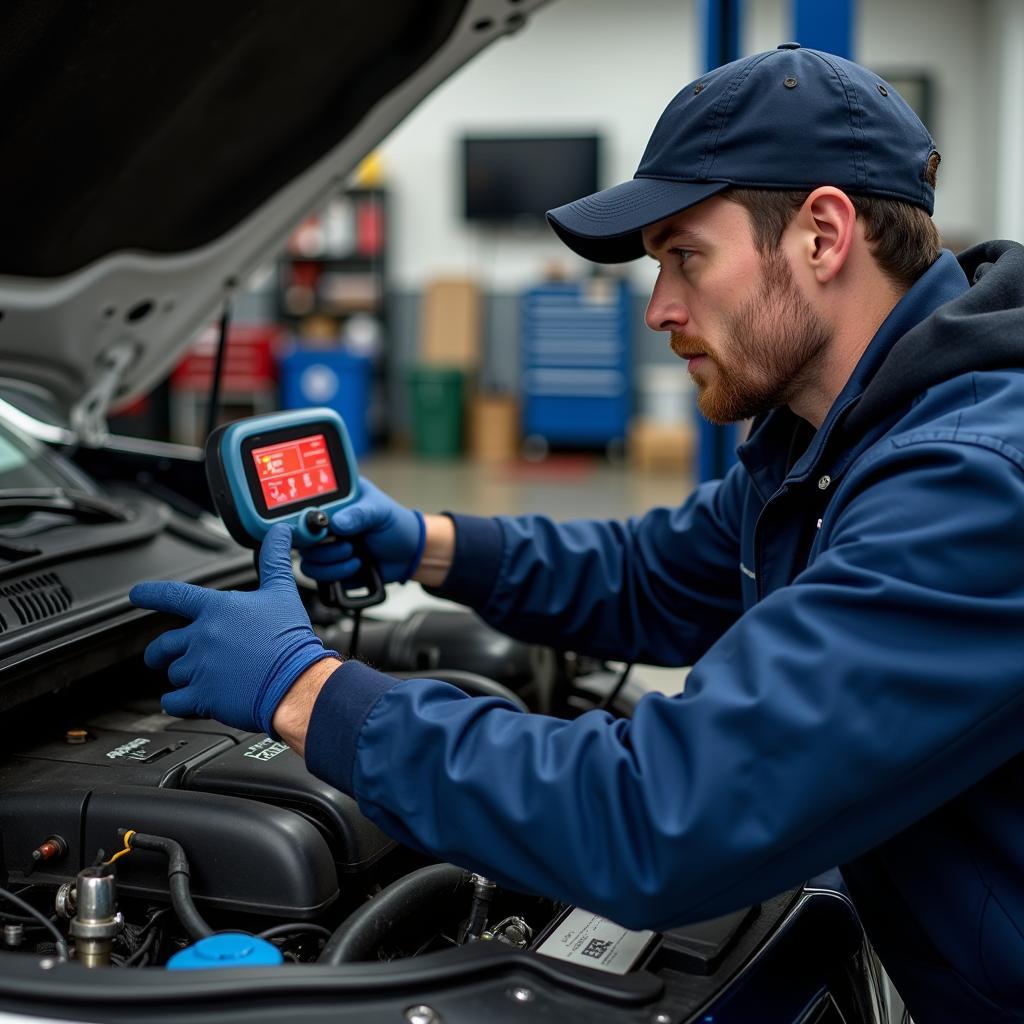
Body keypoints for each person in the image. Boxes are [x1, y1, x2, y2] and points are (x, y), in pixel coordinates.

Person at [130, 45, 1024, 1022]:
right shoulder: (829, 438)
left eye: (683, 256)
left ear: (821, 233)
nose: (658, 309)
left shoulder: (969, 482)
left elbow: (660, 818)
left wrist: (306, 691)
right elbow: (655, 575)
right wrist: (423, 540)